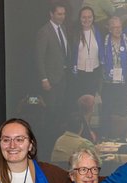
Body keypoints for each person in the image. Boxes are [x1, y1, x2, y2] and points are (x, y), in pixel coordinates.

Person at [36, 2, 70, 138]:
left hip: (62, 77)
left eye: (64, 14)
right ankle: (49, 140)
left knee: (59, 111)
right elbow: (39, 58)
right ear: (51, 14)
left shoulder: (63, 29)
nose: (62, 17)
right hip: (51, 79)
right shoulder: (44, 32)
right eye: (59, 14)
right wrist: (44, 79)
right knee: (51, 112)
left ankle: (56, 138)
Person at [99, 16, 127, 138]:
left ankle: (120, 137)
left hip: (123, 83)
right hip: (108, 83)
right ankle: (106, 137)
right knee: (107, 112)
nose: (118, 30)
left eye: (119, 27)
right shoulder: (104, 41)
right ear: (109, 29)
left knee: (121, 112)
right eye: (114, 27)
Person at [70, 6, 104, 102]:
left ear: (93, 18)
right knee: (80, 101)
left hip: (94, 72)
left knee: (91, 100)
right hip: (79, 73)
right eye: (83, 17)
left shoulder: (99, 30)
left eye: (89, 17)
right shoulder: (74, 33)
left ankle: (88, 117)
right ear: (79, 18)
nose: (87, 19)